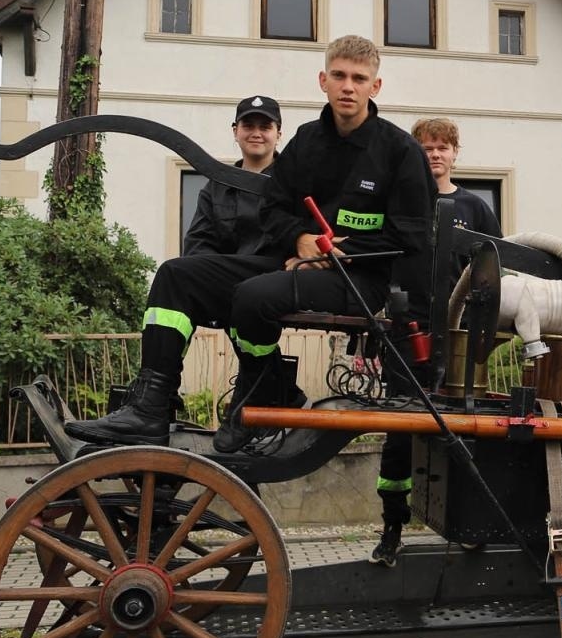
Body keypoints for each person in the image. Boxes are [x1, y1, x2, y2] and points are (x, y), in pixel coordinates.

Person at [67, 36, 433, 454]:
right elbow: (273, 207)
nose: (348, 86)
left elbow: (413, 236)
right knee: (175, 275)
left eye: (359, 78)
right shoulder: (307, 141)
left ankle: (260, 390)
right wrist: (299, 238)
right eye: (339, 75)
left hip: (360, 281)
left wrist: (340, 253)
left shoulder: (400, 151)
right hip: (295, 262)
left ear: (375, 86)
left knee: (253, 295)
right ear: (323, 80)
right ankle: (150, 408)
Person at [370, 117, 503, 568]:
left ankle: (469, 526)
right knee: (400, 431)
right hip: (405, 333)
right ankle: (391, 529)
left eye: (442, 147)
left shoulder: (475, 208)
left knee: (464, 429)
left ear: (455, 153)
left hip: (460, 337)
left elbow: (493, 273)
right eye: (426, 147)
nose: (435, 154)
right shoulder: (400, 203)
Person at [182, 95, 282, 257]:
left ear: (278, 135)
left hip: (277, 267)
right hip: (226, 268)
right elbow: (198, 242)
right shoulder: (217, 185)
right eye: (248, 126)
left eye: (265, 128)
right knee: (172, 268)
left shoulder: (293, 180)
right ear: (236, 132)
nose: (256, 134)